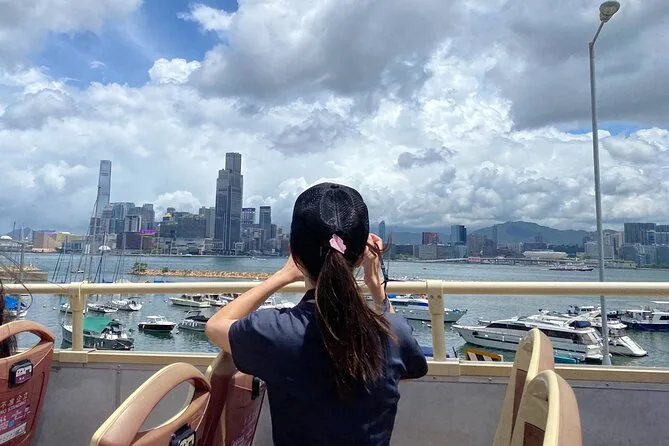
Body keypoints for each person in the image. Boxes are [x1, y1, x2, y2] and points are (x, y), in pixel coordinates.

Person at [206, 182, 428, 445]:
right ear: (360, 257)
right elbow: (406, 365)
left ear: (295, 255)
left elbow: (216, 325)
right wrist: (376, 284)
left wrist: (282, 276)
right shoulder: (394, 334)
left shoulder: (277, 333)